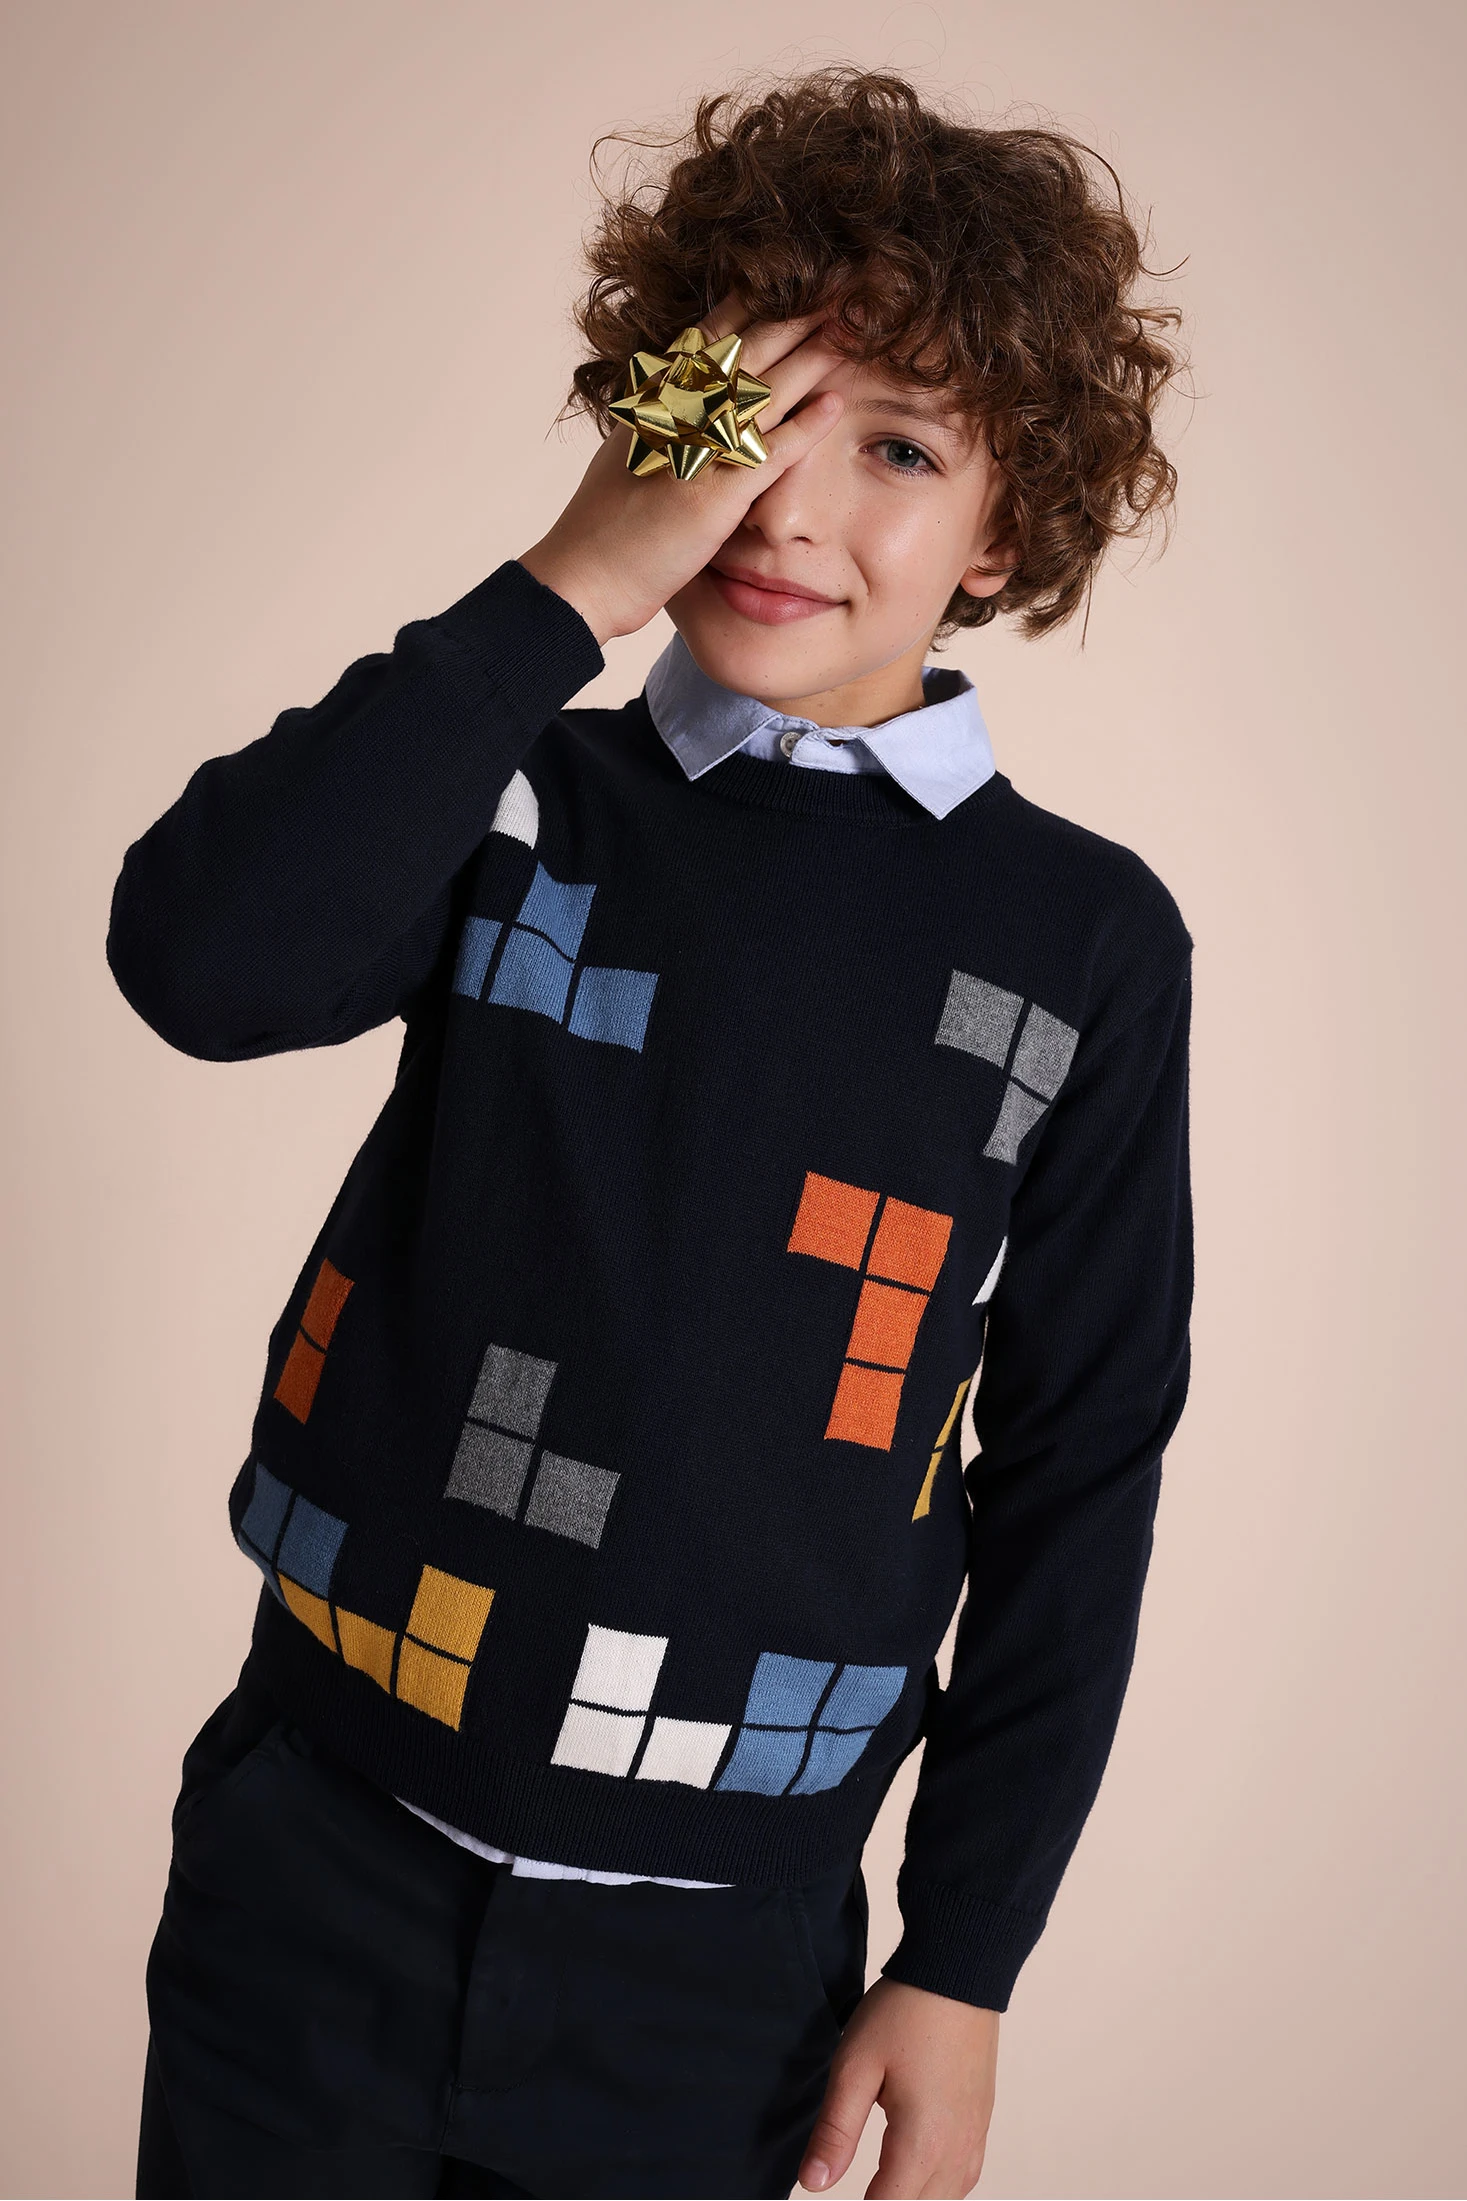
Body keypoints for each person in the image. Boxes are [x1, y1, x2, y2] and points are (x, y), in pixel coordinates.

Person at [111, 65, 1193, 2201]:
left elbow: (1081, 1462)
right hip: (314, 1849)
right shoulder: (513, 791)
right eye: (736, 415)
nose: (781, 504)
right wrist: (561, 589)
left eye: (895, 447)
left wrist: (961, 1958)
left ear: (1007, 528)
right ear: (646, 424)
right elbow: (203, 962)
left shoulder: (1081, 942)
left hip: (720, 1966)